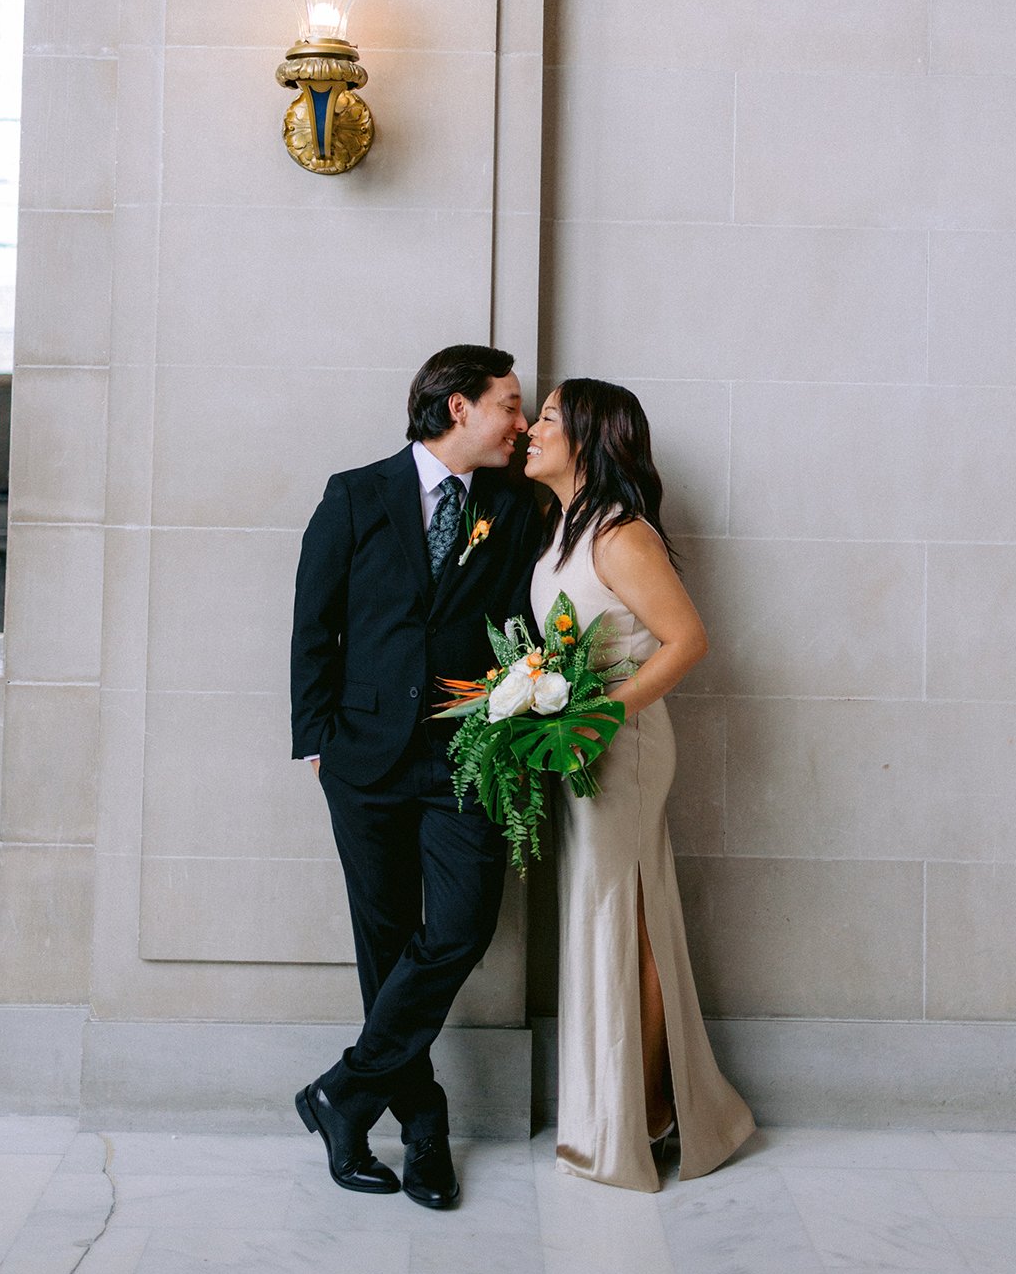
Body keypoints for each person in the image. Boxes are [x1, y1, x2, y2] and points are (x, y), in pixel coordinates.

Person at [290, 344, 542, 1209]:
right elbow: (313, 624)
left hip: (466, 755)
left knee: (461, 927)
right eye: (511, 404)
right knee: (385, 942)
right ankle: (421, 1132)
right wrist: (318, 740)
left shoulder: (514, 507)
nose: (521, 420)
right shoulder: (355, 494)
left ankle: (343, 1092)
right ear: (457, 407)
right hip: (361, 759)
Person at [526, 377, 756, 1191]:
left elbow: (686, 640)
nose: (529, 428)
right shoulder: (563, 530)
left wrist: (600, 715)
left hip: (619, 750)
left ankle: (643, 1113)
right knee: (609, 910)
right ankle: (640, 1106)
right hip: (578, 746)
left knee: (623, 911)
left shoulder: (621, 535)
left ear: (587, 437)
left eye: (547, 418)